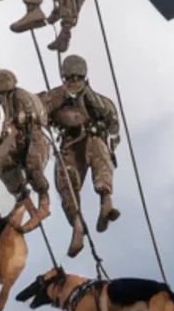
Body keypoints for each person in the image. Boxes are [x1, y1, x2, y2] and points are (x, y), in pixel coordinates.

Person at [38, 54, 120, 258]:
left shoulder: (101, 103)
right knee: (65, 179)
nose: (74, 82)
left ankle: (106, 202)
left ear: (85, 77)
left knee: (100, 154)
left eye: (78, 77)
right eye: (70, 78)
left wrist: (102, 133)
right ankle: (77, 224)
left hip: (94, 140)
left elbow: (114, 130)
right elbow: (37, 111)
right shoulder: (55, 97)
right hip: (70, 144)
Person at [0, 69, 51, 234]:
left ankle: (43, 204)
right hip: (18, 143)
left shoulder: (20, 97)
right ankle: (25, 203)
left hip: (35, 140)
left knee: (33, 165)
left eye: (0, 93)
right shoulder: (1, 105)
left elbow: (26, 126)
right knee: (3, 164)